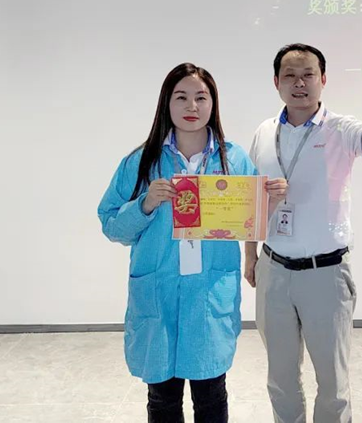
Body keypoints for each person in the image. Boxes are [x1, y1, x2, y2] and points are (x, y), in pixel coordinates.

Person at [244, 43, 362, 423]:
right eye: (290, 75)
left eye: (308, 75)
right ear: (276, 82)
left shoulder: (339, 129)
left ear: (323, 79)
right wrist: (250, 256)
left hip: (326, 275)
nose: (299, 83)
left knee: (333, 384)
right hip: (274, 271)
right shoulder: (264, 133)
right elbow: (249, 198)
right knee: (280, 380)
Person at [98, 63, 281, 423]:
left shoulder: (233, 159)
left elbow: (250, 222)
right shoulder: (141, 161)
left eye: (201, 97)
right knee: (162, 397)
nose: (192, 106)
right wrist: (145, 204)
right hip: (158, 294)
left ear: (213, 104)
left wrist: (270, 201)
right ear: (166, 103)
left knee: (211, 394)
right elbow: (112, 225)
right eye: (181, 97)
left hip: (208, 295)